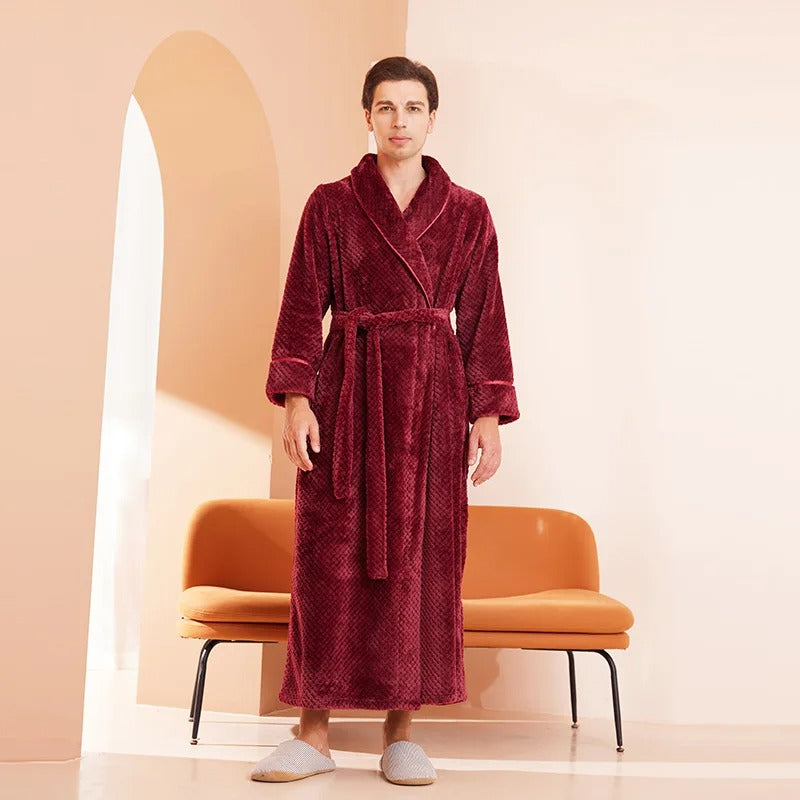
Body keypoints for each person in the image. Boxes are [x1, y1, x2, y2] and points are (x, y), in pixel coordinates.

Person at [250, 56, 520, 785]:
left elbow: (484, 317)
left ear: (433, 118)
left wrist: (486, 412)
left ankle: (403, 732)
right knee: (326, 562)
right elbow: (304, 307)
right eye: (386, 107)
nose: (399, 120)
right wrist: (297, 397)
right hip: (347, 394)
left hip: (432, 407)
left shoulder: (468, 212)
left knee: (422, 565)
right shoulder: (331, 205)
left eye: (412, 107)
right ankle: (312, 731)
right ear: (366, 116)